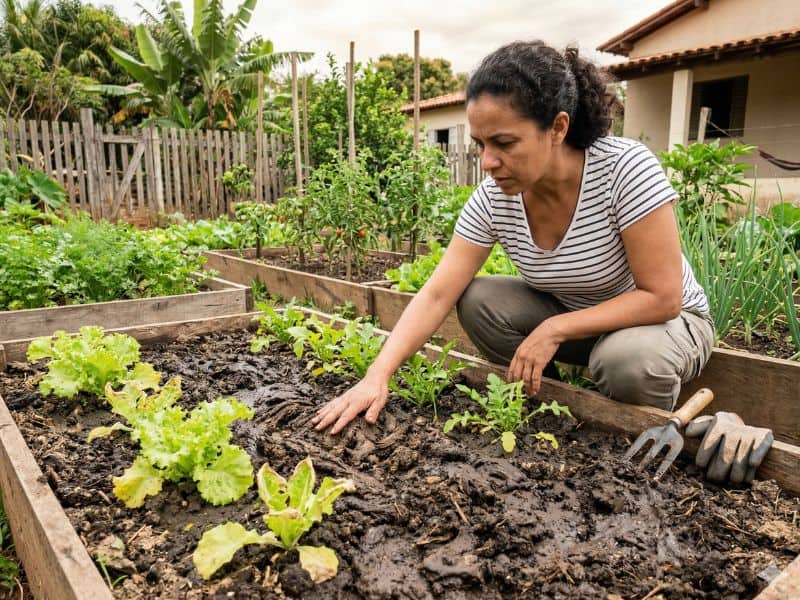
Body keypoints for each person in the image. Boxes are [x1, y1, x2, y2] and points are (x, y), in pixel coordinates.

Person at [312, 40, 771, 484]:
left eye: (504, 143)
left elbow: (662, 298)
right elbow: (436, 293)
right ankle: (553, 404)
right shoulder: (495, 196)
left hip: (667, 323)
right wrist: (376, 377)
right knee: (479, 299)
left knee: (626, 360)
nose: (488, 161)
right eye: (480, 144)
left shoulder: (624, 170)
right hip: (584, 321)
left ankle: (636, 432)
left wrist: (553, 329)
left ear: (557, 127)